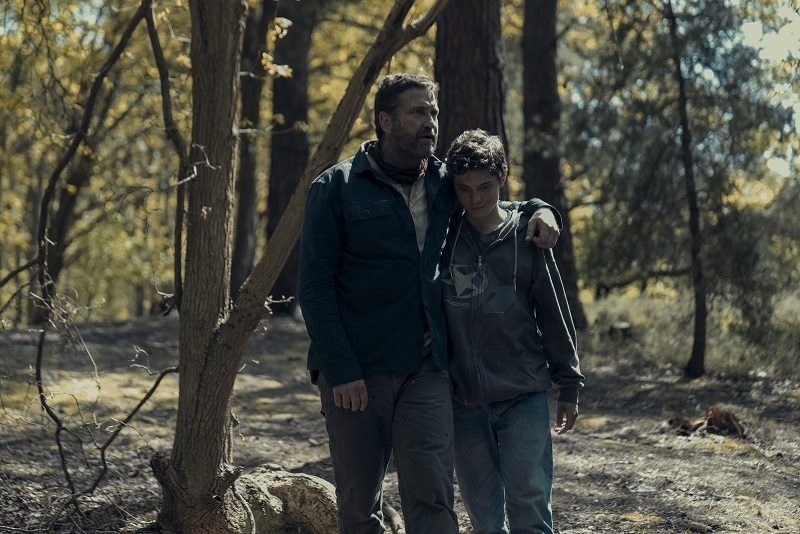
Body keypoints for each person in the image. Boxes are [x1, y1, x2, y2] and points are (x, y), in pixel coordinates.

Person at [298, 73, 561, 534]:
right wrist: (341, 369)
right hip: (356, 374)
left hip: (427, 371)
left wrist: (543, 208)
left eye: (433, 112)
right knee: (359, 509)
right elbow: (315, 288)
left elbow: (495, 202)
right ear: (385, 121)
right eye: (418, 112)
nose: (431, 122)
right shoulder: (336, 187)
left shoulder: (445, 182)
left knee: (434, 505)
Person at [442, 129, 584, 534]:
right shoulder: (444, 238)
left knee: (530, 509)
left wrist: (569, 385)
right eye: (464, 189)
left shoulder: (528, 237)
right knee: (484, 519)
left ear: (502, 178)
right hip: (464, 400)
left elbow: (554, 314)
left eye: (485, 187)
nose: (475, 199)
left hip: (523, 395)